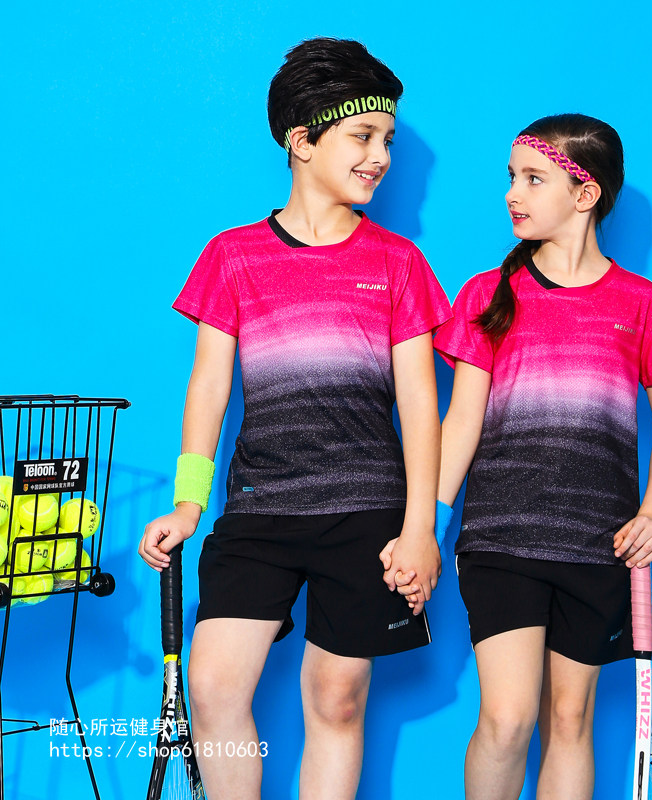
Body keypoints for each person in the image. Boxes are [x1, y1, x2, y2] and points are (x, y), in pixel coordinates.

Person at [138, 37, 451, 800]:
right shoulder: (233, 255)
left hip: (366, 513)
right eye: (363, 136)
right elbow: (208, 388)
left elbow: (421, 404)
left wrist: (421, 528)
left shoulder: (400, 263)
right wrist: (188, 503)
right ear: (302, 141)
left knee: (336, 699)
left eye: (388, 140)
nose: (380, 157)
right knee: (214, 686)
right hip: (259, 511)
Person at [428, 113, 652, 799]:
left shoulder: (642, 304)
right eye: (511, 178)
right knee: (507, 718)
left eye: (533, 179)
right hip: (500, 541)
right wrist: (427, 524)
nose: (512, 194)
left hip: (597, 547)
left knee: (570, 720)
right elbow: (461, 421)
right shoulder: (487, 294)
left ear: (585, 194)